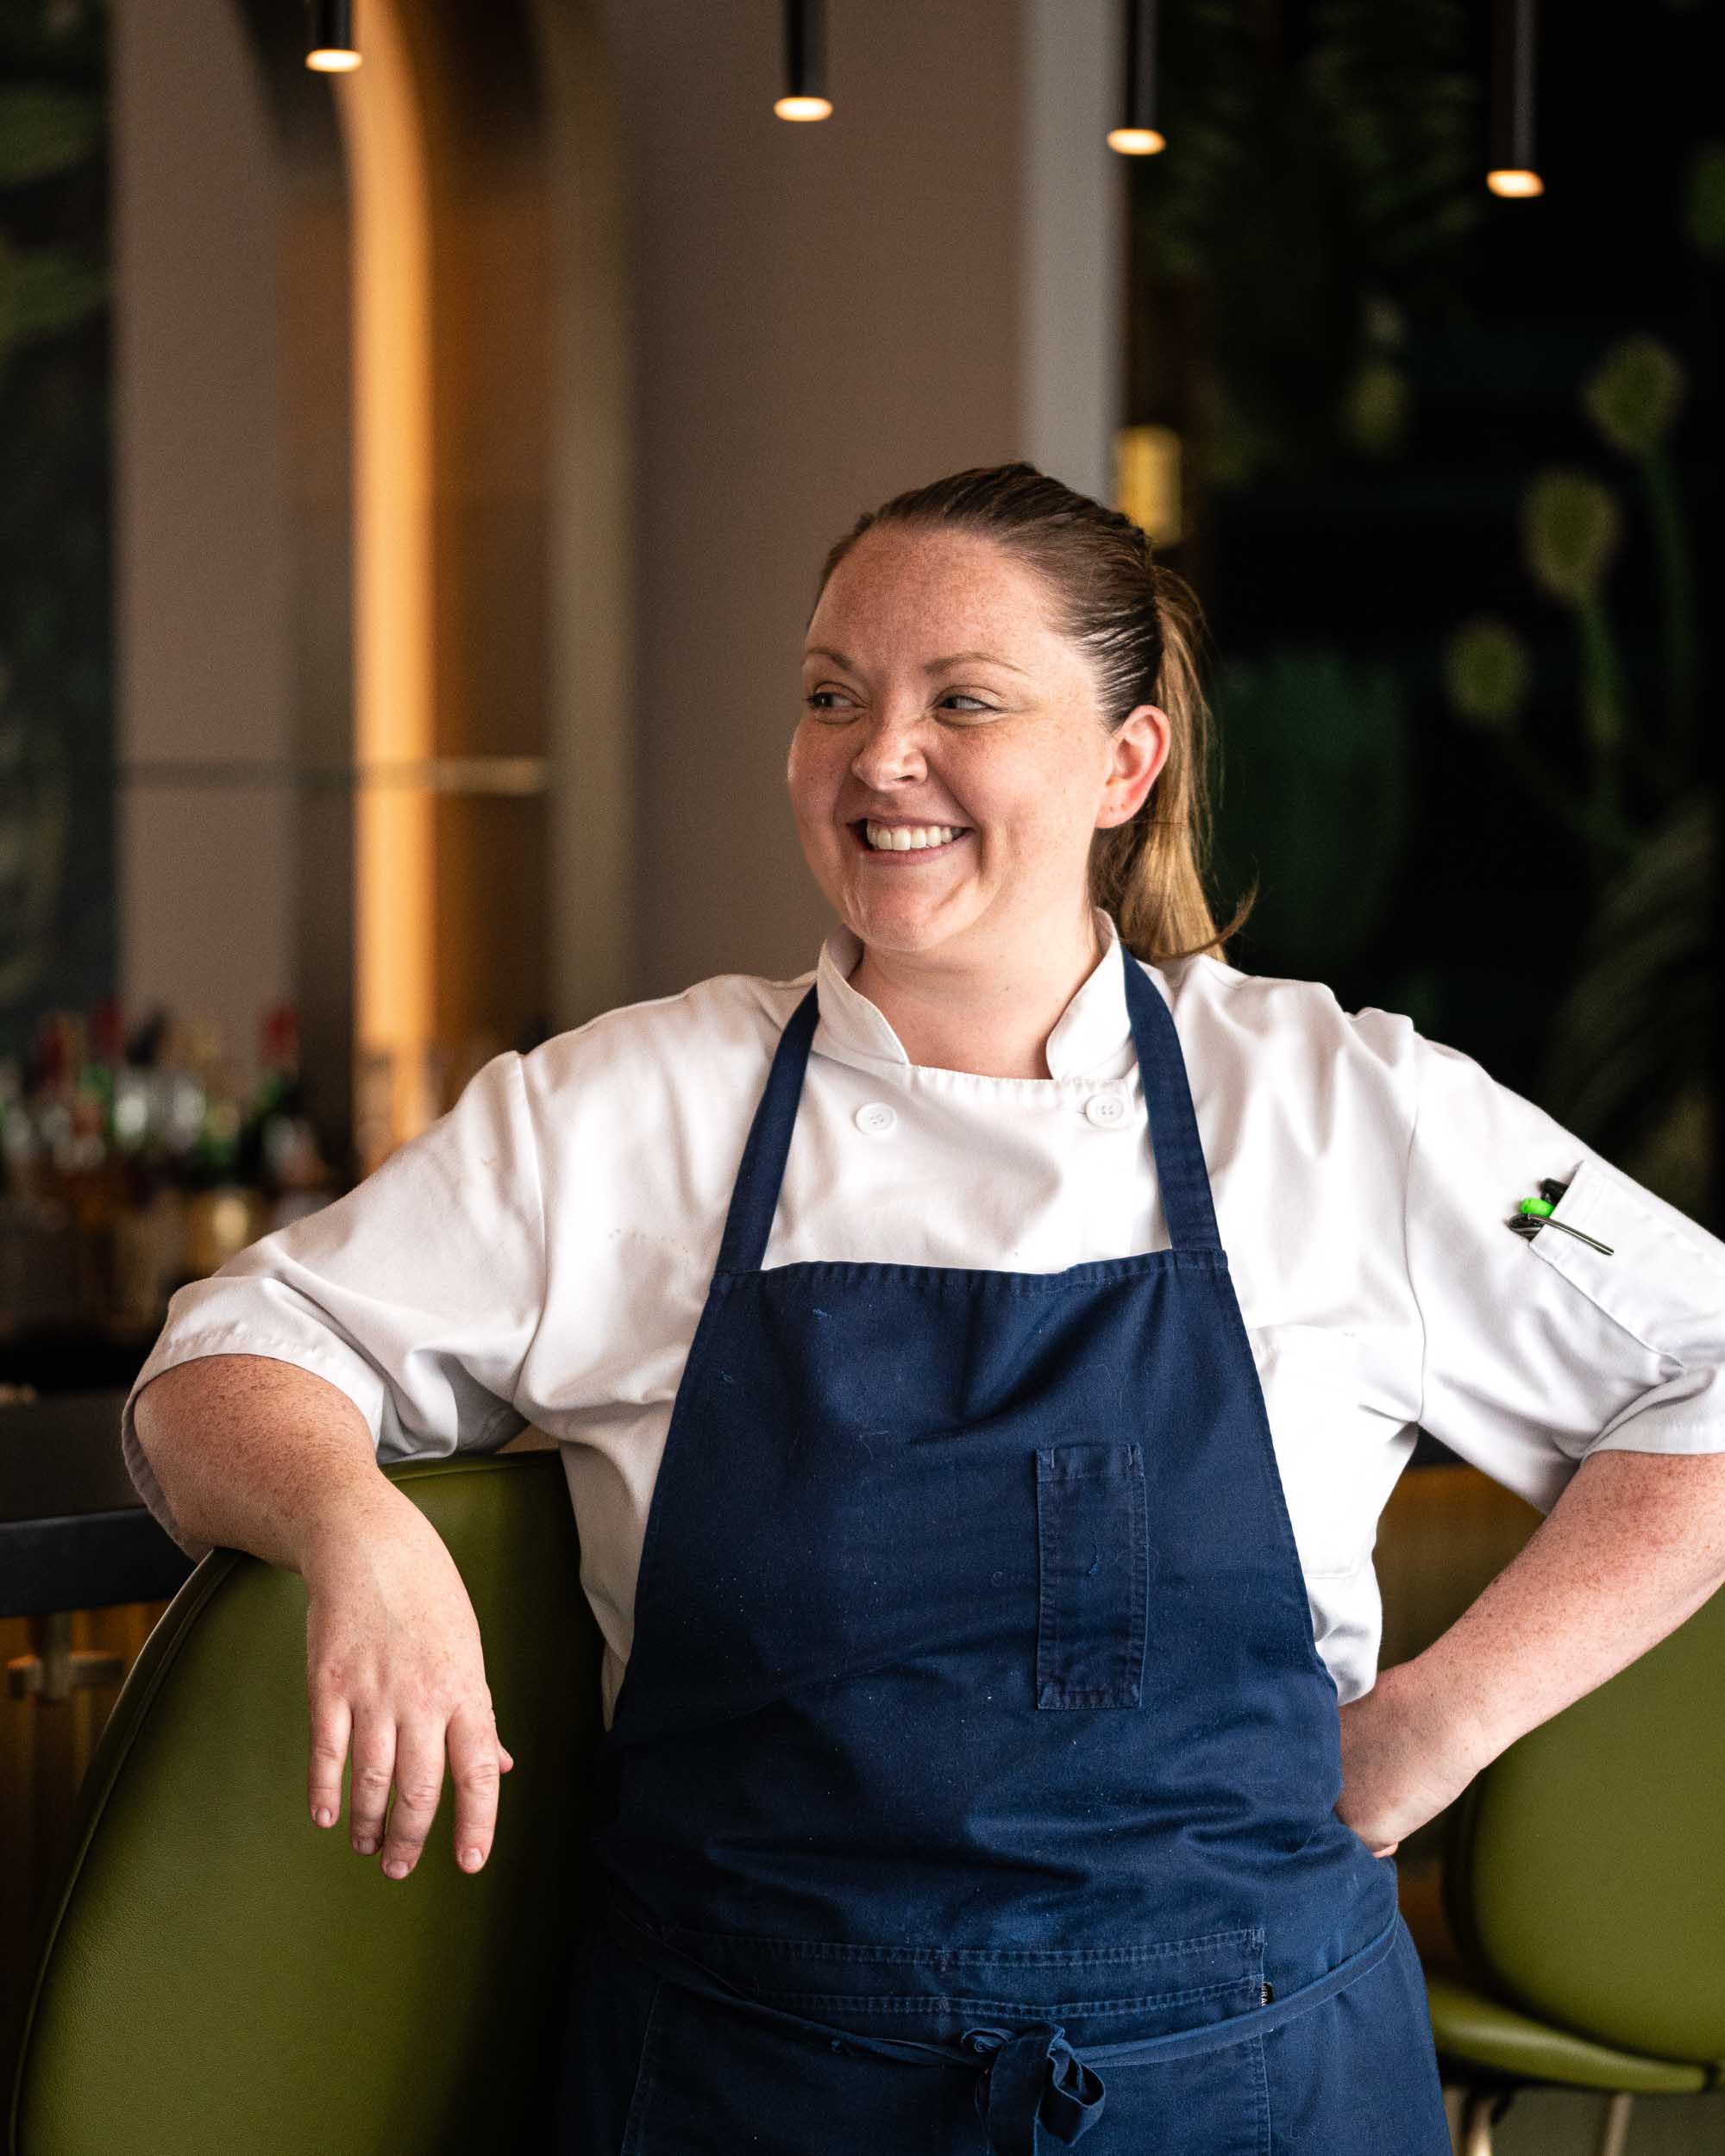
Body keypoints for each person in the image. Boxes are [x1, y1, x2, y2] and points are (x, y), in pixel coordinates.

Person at [127, 462, 1725, 2153]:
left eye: (962, 700)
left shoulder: (1358, 1111)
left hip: (1245, 2084)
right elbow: (221, 1361)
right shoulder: (616, 1116)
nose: (880, 756)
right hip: (751, 2081)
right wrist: (354, 1526)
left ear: (1125, 763)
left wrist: (1435, 1722)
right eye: (833, 696)